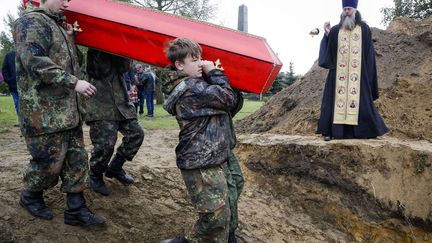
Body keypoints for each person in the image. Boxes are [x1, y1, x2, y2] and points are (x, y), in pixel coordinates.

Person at [13, 0, 105, 227]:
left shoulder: (60, 27)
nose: (67, 3)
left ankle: (76, 209)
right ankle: (30, 196)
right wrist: (74, 83)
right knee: (47, 164)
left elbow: (73, 63)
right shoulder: (31, 21)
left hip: (68, 111)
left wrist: (71, 39)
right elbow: (35, 61)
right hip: (44, 113)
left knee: (77, 161)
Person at [161, 38, 239, 243]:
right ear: (179, 65)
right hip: (200, 160)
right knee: (215, 215)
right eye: (194, 60)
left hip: (212, 155)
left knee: (225, 204)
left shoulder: (197, 84)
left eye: (201, 58)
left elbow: (228, 106)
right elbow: (228, 100)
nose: (201, 63)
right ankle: (188, 240)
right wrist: (214, 72)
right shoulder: (191, 88)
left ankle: (226, 237)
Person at [317, 0, 388, 141]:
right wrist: (327, 35)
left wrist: (367, 75)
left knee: (361, 101)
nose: (347, 11)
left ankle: (362, 132)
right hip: (339, 74)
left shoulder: (364, 29)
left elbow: (368, 54)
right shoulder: (336, 30)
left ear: (355, 10)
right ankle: (331, 132)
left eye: (349, 9)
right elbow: (330, 51)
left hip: (358, 75)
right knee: (333, 102)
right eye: (345, 9)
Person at [84, 49, 144, 196]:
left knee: (137, 134)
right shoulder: (95, 50)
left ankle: (115, 167)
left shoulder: (119, 50)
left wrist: (122, 49)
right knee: (105, 145)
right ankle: (95, 175)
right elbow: (98, 71)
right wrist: (107, 49)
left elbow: (125, 68)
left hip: (122, 104)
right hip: (101, 105)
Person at [2, 50, 20, 124]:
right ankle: (20, 120)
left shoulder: (29, 51)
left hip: (28, 86)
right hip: (14, 85)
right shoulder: (9, 55)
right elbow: (4, 69)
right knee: (17, 103)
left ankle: (29, 121)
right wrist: (9, 80)